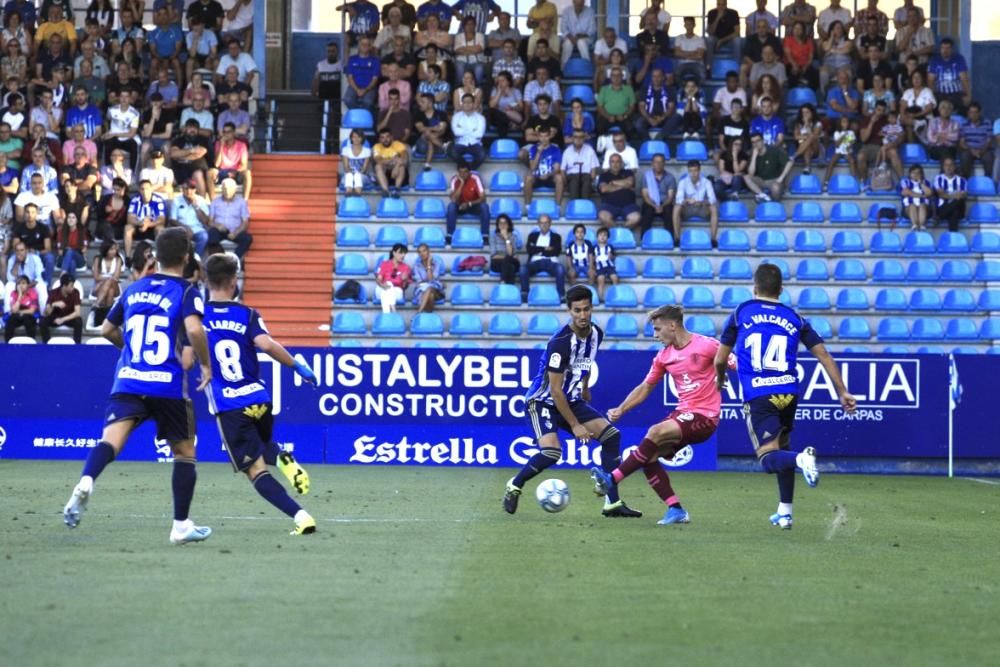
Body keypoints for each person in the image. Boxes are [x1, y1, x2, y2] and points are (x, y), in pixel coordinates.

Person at [61, 228, 215, 545]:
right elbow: (195, 331)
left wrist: (130, 353)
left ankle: (87, 480)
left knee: (111, 441)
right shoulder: (186, 291)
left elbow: (105, 328)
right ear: (186, 258)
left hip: (130, 379)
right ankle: (181, 525)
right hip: (167, 384)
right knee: (184, 452)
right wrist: (205, 363)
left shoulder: (133, 289)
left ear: (155, 257)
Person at [714, 263, 857, 529]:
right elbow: (823, 355)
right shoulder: (795, 317)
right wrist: (842, 391)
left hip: (759, 393)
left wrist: (720, 379)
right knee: (783, 446)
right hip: (788, 393)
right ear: (781, 289)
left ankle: (802, 460)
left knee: (768, 458)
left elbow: (720, 359)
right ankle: (785, 512)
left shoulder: (741, 312)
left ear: (754, 287)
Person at [503, 285, 641, 518]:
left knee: (612, 436)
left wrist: (585, 387)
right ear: (569, 311)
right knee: (551, 453)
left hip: (571, 398)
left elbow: (586, 361)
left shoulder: (597, 333)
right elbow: (555, 391)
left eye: (586, 309)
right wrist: (576, 425)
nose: (582, 315)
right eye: (577, 310)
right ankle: (514, 486)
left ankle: (612, 503)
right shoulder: (560, 343)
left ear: (591, 308)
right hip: (543, 402)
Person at [592, 305, 725, 525]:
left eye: (657, 329)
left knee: (654, 432)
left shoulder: (707, 345)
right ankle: (676, 510)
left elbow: (736, 364)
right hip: (684, 415)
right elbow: (645, 387)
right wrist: (622, 409)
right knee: (649, 456)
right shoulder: (664, 357)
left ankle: (612, 478)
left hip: (705, 417)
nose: (655, 335)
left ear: (672, 325)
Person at [673, 160, 719, 246]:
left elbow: (712, 199)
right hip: (688, 208)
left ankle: (713, 239)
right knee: (676, 207)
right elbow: (678, 199)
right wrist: (687, 200)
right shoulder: (683, 182)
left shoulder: (706, 182)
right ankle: (677, 238)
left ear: (699, 170)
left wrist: (702, 202)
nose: (693, 173)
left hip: (702, 208)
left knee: (713, 208)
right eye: (690, 171)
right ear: (688, 171)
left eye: (695, 171)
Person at [520, 214, 563, 302]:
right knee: (523, 269)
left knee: (560, 269)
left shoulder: (556, 237)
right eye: (541, 223)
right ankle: (525, 293)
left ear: (550, 223)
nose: (544, 225)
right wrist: (545, 249)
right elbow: (529, 250)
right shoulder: (532, 236)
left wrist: (538, 249)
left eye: (546, 222)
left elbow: (556, 252)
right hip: (535, 262)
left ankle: (561, 294)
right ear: (538, 224)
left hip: (551, 262)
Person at [446, 161, 489, 246]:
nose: (462, 174)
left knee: (484, 207)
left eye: (465, 172)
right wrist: (461, 184)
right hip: (460, 206)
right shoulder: (455, 179)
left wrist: (469, 204)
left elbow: (483, 198)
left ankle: (485, 236)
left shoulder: (475, 178)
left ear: (469, 172)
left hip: (473, 205)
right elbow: (454, 199)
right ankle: (450, 235)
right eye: (460, 172)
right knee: (451, 207)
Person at [746, 131, 794, 203]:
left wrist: (780, 178)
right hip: (761, 180)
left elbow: (790, 162)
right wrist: (754, 156)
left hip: (774, 180)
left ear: (763, 141)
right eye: (753, 142)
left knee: (776, 188)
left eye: (758, 141)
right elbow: (751, 174)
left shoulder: (774, 150)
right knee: (746, 177)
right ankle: (762, 195)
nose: (756, 144)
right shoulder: (752, 153)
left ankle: (773, 205)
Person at [209, 177, 252, 258]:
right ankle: (220, 257)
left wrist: (235, 233)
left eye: (229, 189)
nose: (227, 191)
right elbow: (210, 221)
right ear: (222, 189)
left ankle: (234, 258)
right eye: (224, 189)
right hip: (220, 230)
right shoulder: (215, 202)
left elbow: (245, 222)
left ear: (234, 190)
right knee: (211, 234)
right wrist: (217, 226)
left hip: (235, 231)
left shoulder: (241, 202)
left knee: (247, 238)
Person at [926, 38, 969, 114]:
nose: (945, 51)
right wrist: (931, 96)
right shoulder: (934, 60)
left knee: (963, 107)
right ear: (940, 49)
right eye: (943, 48)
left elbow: (964, 79)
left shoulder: (959, 59)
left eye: (948, 48)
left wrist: (968, 95)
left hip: (956, 93)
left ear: (952, 49)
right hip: (940, 94)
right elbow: (930, 81)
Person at [597, 153, 640, 231]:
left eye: (617, 162)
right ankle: (617, 232)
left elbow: (630, 183)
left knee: (636, 218)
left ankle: (623, 231)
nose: (615, 164)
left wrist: (613, 183)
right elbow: (604, 189)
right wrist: (623, 185)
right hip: (609, 205)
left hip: (628, 205)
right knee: (602, 216)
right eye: (612, 162)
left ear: (621, 163)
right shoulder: (604, 175)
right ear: (609, 164)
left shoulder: (628, 172)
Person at [634, 68, 679, 139]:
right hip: (649, 117)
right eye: (654, 76)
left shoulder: (670, 90)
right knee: (638, 123)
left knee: (676, 117)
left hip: (665, 118)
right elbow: (641, 107)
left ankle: (659, 137)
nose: (656, 78)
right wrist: (649, 119)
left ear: (663, 77)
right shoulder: (644, 90)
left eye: (658, 76)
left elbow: (671, 108)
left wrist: (662, 118)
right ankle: (648, 141)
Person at [210, 122, 252, 200]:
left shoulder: (242, 145)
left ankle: (244, 201)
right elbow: (217, 164)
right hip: (222, 171)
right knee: (210, 172)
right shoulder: (218, 143)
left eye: (228, 132)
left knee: (247, 173)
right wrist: (221, 146)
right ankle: (212, 201)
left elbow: (244, 165)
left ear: (233, 133)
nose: (226, 134)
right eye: (224, 132)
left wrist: (235, 172)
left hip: (236, 171)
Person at [170, 179, 211, 257]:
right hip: (181, 228)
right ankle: (185, 260)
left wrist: (196, 206)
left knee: (204, 237)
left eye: (192, 188)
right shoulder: (176, 200)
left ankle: (195, 259)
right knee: (182, 238)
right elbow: (172, 220)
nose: (189, 191)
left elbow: (206, 221)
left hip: (197, 229)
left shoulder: (200, 200)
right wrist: (185, 228)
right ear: (182, 189)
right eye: (186, 188)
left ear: (195, 189)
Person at [523, 126, 562, 206]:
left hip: (550, 177)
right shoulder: (533, 149)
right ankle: (528, 206)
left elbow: (557, 169)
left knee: (559, 178)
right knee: (528, 178)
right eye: (541, 136)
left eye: (546, 136)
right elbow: (532, 168)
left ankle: (557, 206)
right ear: (538, 137)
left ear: (549, 136)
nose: (543, 139)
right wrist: (539, 152)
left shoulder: (555, 149)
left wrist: (548, 175)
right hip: (537, 177)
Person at [39, 271, 82, 343]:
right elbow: (46, 313)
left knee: (78, 321)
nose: (73, 288)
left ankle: (77, 346)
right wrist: (53, 304)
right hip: (55, 317)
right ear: (64, 286)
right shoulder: (53, 293)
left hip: (68, 317)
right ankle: (47, 344)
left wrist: (62, 319)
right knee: (42, 321)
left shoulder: (75, 292)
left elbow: (77, 313)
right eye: (71, 286)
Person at [639, 152, 675, 232]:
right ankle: (644, 238)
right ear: (652, 163)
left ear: (664, 163)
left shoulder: (670, 177)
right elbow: (645, 196)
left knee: (669, 211)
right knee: (647, 211)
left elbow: (670, 197)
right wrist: (655, 206)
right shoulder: (646, 176)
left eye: (660, 162)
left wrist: (662, 206)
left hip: (665, 204)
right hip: (650, 203)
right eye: (656, 162)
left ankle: (670, 239)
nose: (658, 164)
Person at [595, 67, 635, 138]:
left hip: (623, 117)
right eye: (613, 75)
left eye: (618, 75)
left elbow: (632, 106)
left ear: (622, 77)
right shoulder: (604, 89)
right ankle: (601, 147)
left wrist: (624, 115)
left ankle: (627, 146)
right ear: (610, 77)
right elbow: (599, 107)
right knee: (598, 128)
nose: (616, 77)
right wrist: (608, 116)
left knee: (630, 129)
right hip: (607, 117)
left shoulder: (629, 89)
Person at [448, 94, 485, 169]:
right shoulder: (456, 117)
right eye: (465, 102)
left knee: (482, 155)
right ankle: (466, 168)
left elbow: (479, 134)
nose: (467, 104)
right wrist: (472, 130)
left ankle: (470, 170)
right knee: (451, 152)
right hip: (460, 142)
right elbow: (456, 132)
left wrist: (462, 129)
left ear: (473, 104)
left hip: (475, 143)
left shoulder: (481, 118)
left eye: (469, 102)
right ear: (462, 104)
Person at [561, 129, 599, 200]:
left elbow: (593, 171)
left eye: (581, 137)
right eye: (576, 137)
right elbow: (562, 170)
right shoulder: (567, 151)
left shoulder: (590, 150)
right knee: (574, 180)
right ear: (572, 138)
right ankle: (575, 207)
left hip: (586, 177)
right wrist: (566, 183)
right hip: (572, 177)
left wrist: (591, 180)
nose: (578, 139)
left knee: (587, 180)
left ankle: (584, 205)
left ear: (584, 138)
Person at [343, 36, 380, 111]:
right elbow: (350, 78)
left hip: (369, 87)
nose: (365, 46)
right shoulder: (352, 59)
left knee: (368, 102)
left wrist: (365, 90)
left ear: (370, 47)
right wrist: (357, 90)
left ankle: (363, 118)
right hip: (354, 87)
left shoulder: (375, 60)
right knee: (347, 99)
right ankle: (357, 115)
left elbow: (375, 79)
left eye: (367, 44)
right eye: (363, 44)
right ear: (359, 46)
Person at [900, 69, 936, 143]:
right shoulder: (907, 92)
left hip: (924, 118)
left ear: (922, 79)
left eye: (918, 77)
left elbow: (929, 108)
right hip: (908, 117)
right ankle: (912, 147)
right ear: (911, 79)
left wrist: (915, 115)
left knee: (909, 125)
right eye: (914, 77)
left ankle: (914, 147)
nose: (916, 80)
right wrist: (903, 115)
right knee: (905, 123)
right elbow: (902, 106)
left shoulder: (927, 91)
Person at [90, 240, 122, 324]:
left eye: (115, 249)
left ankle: (97, 305)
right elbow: (96, 277)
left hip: (115, 288)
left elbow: (116, 278)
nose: (114, 251)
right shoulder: (98, 259)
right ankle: (106, 321)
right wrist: (107, 278)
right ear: (106, 250)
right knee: (110, 292)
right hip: (98, 287)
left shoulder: (118, 260)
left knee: (110, 282)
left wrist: (104, 279)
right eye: (111, 249)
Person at [412, 93, 447, 170]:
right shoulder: (418, 114)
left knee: (429, 139)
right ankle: (444, 147)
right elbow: (421, 129)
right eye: (420, 102)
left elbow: (442, 129)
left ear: (430, 103)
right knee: (426, 134)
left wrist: (430, 131)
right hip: (422, 144)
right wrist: (434, 128)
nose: (420, 104)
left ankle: (427, 163)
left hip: (436, 144)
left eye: (423, 102)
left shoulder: (441, 114)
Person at [959, 102, 992, 180]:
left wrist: (981, 151)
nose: (973, 115)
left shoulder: (987, 123)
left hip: (984, 150)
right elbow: (962, 143)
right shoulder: (964, 124)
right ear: (968, 113)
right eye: (971, 112)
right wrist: (972, 150)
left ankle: (987, 181)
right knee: (964, 156)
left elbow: (989, 141)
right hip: (969, 150)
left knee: (989, 157)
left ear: (980, 113)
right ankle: (964, 181)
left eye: (975, 112)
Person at [372, 128, 409, 198]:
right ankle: (385, 191)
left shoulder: (398, 145)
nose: (385, 139)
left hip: (399, 175)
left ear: (392, 137)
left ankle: (397, 190)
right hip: (385, 176)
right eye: (382, 137)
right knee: (378, 166)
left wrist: (397, 165)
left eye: (387, 136)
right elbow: (378, 161)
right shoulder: (377, 147)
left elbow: (405, 159)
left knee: (401, 167)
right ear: (379, 139)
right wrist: (393, 159)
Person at [933, 157, 967, 233]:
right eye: (946, 165)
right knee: (954, 211)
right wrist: (955, 195)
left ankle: (939, 217)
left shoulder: (962, 180)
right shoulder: (938, 178)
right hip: (942, 207)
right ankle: (953, 236)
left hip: (956, 209)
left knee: (959, 202)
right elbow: (941, 194)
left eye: (951, 165)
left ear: (954, 167)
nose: (948, 167)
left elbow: (962, 195)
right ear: (943, 167)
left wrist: (947, 194)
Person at [824, 114, 858, 190]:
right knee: (832, 161)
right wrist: (843, 135)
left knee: (852, 161)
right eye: (843, 122)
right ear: (840, 124)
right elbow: (837, 145)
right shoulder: (837, 133)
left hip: (847, 151)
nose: (845, 124)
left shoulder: (851, 132)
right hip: (838, 151)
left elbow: (852, 142)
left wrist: (850, 146)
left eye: (847, 122)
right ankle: (826, 182)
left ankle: (854, 181)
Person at [375, 242, 411, 313]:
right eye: (400, 253)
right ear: (394, 253)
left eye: (404, 253)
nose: (403, 255)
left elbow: (404, 287)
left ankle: (386, 314)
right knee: (387, 287)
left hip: (397, 291)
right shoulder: (384, 264)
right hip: (382, 288)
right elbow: (379, 279)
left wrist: (405, 280)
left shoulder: (405, 267)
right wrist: (382, 285)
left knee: (388, 288)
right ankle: (393, 311)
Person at [486, 71, 522, 138]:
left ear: (508, 82)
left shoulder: (516, 91)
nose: (500, 83)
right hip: (498, 117)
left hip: (512, 116)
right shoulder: (495, 90)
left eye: (503, 80)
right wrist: (499, 92)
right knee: (493, 113)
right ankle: (510, 124)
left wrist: (512, 106)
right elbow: (491, 106)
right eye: (499, 81)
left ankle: (502, 140)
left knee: (501, 120)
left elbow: (521, 108)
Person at [559, 0, 595, 66]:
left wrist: (579, 36)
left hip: (585, 38)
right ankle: (563, 67)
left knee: (581, 42)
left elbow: (592, 30)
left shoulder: (590, 11)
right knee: (567, 44)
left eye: (581, 4)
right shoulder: (566, 11)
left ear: (584, 2)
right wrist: (571, 37)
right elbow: (563, 28)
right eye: (577, 5)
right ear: (573, 2)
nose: (579, 6)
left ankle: (587, 65)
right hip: (569, 37)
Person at [783, 21, 817, 90]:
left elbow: (810, 57)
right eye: (795, 28)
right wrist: (794, 65)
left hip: (805, 64)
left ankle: (810, 96)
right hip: (791, 64)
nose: (797, 31)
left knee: (814, 75)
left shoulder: (808, 41)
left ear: (803, 31)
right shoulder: (788, 40)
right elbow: (788, 55)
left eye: (799, 29)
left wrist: (806, 66)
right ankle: (793, 96)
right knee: (793, 75)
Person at [411, 242, 445, 313]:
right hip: (422, 290)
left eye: (424, 251)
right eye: (419, 252)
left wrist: (429, 264)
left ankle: (419, 312)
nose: (422, 253)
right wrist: (428, 280)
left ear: (428, 251)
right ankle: (429, 316)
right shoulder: (417, 266)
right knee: (430, 295)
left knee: (430, 289)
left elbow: (431, 279)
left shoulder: (436, 263)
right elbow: (419, 281)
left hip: (436, 290)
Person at [924, 99, 960, 163]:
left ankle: (944, 171)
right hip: (935, 149)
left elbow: (955, 137)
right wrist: (947, 136)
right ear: (939, 110)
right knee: (944, 152)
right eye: (943, 108)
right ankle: (947, 171)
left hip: (950, 149)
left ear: (951, 111)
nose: (946, 110)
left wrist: (939, 135)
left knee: (946, 151)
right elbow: (931, 138)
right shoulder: (933, 122)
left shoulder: (955, 123)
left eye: (948, 108)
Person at [673, 16, 707, 84]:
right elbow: (676, 53)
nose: (688, 26)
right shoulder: (679, 38)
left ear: (694, 25)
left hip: (697, 64)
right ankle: (681, 93)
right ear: (684, 25)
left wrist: (683, 53)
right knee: (676, 74)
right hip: (682, 64)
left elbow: (699, 56)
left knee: (702, 74)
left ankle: (698, 93)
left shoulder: (699, 39)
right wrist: (694, 52)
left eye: (690, 24)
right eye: (687, 24)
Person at [55, 210, 88, 279]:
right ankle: (72, 283)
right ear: (66, 220)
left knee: (70, 251)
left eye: (73, 218)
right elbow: (60, 252)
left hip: (78, 258)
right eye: (69, 217)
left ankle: (63, 273)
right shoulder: (61, 232)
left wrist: (70, 250)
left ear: (76, 220)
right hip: (63, 258)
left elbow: (84, 250)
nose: (71, 219)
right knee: (72, 263)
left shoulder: (81, 232)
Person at [4, 273, 37, 340]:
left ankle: (32, 343)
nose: (21, 285)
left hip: (28, 316)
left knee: (27, 320)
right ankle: (8, 344)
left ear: (28, 285)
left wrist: (20, 312)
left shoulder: (33, 293)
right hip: (16, 316)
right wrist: (20, 295)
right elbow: (13, 310)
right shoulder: (13, 293)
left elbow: (31, 311)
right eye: (18, 283)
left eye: (23, 283)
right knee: (10, 320)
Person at [489, 214, 520, 285]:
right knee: (510, 267)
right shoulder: (493, 237)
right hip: (497, 263)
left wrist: (506, 238)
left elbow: (511, 253)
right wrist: (508, 257)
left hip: (513, 262)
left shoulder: (513, 237)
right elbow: (493, 256)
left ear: (508, 225)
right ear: (498, 225)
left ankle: (503, 282)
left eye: (505, 223)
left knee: (509, 262)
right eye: (500, 223)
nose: (502, 225)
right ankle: (510, 287)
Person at [792, 103, 823, 174]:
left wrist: (807, 125)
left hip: (815, 148)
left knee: (811, 137)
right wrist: (806, 137)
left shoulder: (818, 124)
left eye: (807, 112)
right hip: (803, 147)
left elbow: (814, 136)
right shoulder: (798, 123)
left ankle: (795, 155)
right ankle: (807, 167)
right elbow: (796, 137)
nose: (805, 114)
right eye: (803, 112)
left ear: (812, 113)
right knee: (807, 148)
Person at [900, 164, 932, 231]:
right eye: (913, 173)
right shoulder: (905, 182)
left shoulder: (926, 182)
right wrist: (922, 195)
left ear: (921, 174)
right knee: (912, 205)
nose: (915, 175)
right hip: (908, 208)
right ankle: (914, 226)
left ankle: (922, 226)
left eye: (918, 173)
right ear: (910, 174)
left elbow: (929, 193)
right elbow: (906, 192)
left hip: (924, 207)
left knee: (922, 205)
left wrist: (921, 184)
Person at [341, 128, 370, 196]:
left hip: (363, 176)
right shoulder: (346, 150)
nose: (356, 139)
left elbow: (364, 169)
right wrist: (352, 174)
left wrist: (357, 174)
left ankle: (358, 194)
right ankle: (348, 193)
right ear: (351, 138)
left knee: (357, 176)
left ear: (362, 138)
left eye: (358, 137)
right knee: (349, 175)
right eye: (354, 137)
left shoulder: (367, 151)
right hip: (349, 175)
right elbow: (346, 167)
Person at [592, 227, 617, 301]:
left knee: (615, 278)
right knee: (601, 279)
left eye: (605, 235)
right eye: (600, 235)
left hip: (609, 266)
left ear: (608, 238)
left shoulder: (610, 247)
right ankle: (600, 297)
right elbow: (592, 258)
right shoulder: (594, 248)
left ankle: (615, 295)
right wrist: (593, 262)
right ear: (597, 237)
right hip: (599, 266)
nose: (602, 237)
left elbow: (613, 257)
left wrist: (611, 256)